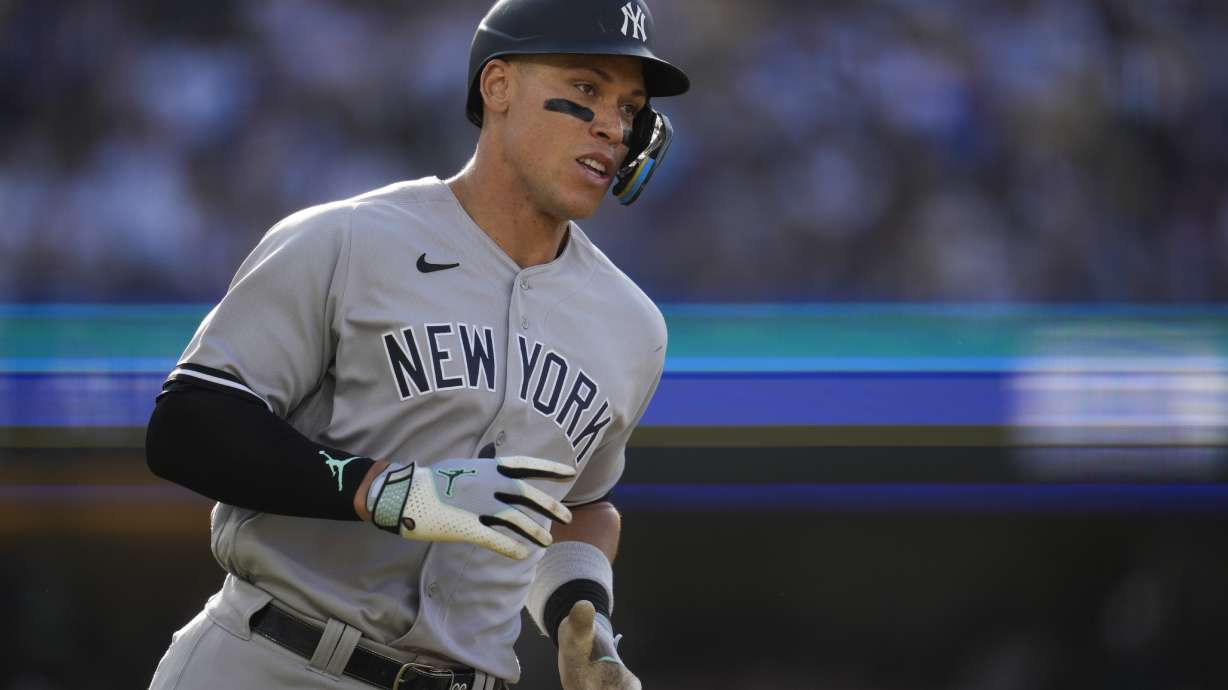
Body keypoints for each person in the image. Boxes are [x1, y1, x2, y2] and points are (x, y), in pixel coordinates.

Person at [143, 0, 689, 688]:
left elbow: (575, 507)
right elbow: (188, 426)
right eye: (586, 88)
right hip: (272, 657)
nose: (613, 125)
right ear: (498, 86)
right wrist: (394, 491)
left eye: (630, 107)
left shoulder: (632, 326)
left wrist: (582, 615)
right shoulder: (347, 238)